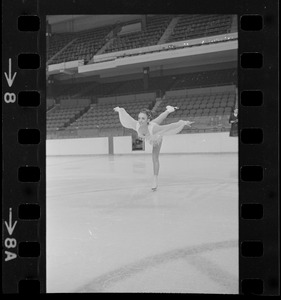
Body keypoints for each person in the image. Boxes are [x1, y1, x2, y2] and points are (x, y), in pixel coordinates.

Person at [114, 105, 194, 190]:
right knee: (159, 118)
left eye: (143, 119)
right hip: (150, 129)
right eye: (139, 118)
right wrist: (120, 110)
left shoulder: (154, 128)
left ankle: (155, 179)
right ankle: (169, 110)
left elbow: (169, 127)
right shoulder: (136, 125)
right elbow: (128, 118)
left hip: (155, 137)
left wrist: (183, 123)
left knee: (155, 158)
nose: (140, 121)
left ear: (148, 120)